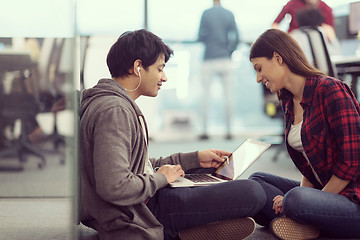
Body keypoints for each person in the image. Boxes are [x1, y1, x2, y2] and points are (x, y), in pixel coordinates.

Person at [79, 29, 266, 240]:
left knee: (253, 182)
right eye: (160, 69)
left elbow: (135, 165)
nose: (164, 77)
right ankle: (176, 231)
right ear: (138, 67)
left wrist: (192, 159)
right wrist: (161, 178)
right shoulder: (115, 111)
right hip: (141, 212)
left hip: (144, 198)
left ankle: (286, 212)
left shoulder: (112, 104)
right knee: (252, 191)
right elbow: (114, 186)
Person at [248, 28, 360, 240]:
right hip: (322, 191)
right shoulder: (289, 101)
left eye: (259, 68)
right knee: (256, 184)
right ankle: (303, 223)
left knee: (296, 199)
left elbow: (352, 162)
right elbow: (309, 165)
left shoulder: (331, 90)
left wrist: (303, 199)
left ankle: (298, 218)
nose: (258, 78)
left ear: (278, 58)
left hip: (353, 200)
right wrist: (306, 197)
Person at [197, 0, 240, 140]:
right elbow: (237, 37)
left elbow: (200, 36)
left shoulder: (206, 13)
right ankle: (229, 131)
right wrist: (230, 50)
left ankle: (204, 130)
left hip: (209, 58)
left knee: (205, 96)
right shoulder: (229, 14)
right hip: (225, 59)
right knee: (228, 97)